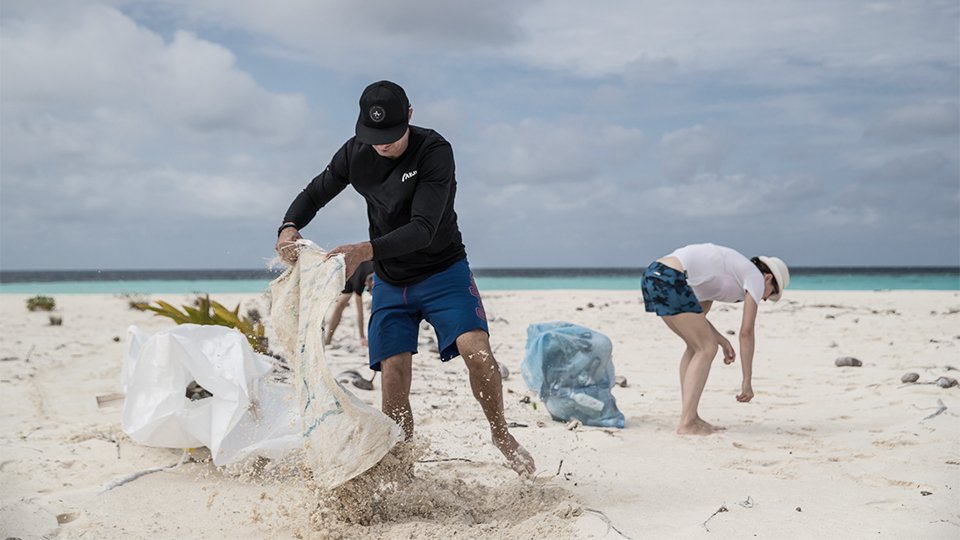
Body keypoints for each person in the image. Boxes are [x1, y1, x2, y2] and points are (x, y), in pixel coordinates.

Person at [275, 80, 535, 475]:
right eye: (375, 137)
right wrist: (289, 226)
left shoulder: (434, 152)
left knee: (476, 351)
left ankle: (500, 433)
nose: (384, 144)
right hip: (391, 281)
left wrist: (364, 251)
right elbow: (315, 193)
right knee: (393, 372)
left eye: (392, 136)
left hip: (443, 270)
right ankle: (402, 461)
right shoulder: (355, 152)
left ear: (409, 117)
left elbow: (423, 229)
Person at [641, 243, 789, 435]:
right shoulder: (755, 276)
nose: (766, 298)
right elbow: (746, 333)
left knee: (696, 347)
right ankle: (688, 422)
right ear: (768, 277)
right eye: (772, 292)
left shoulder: (721, 277)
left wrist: (721, 339)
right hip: (670, 277)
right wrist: (747, 380)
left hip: (654, 276)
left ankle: (689, 416)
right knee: (706, 348)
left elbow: (697, 316)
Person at [324, 260, 375, 347]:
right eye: (369, 290)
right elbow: (360, 312)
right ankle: (328, 338)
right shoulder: (358, 283)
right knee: (340, 304)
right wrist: (362, 337)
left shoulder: (379, 274)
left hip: (363, 268)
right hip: (350, 272)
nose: (370, 292)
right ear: (368, 284)